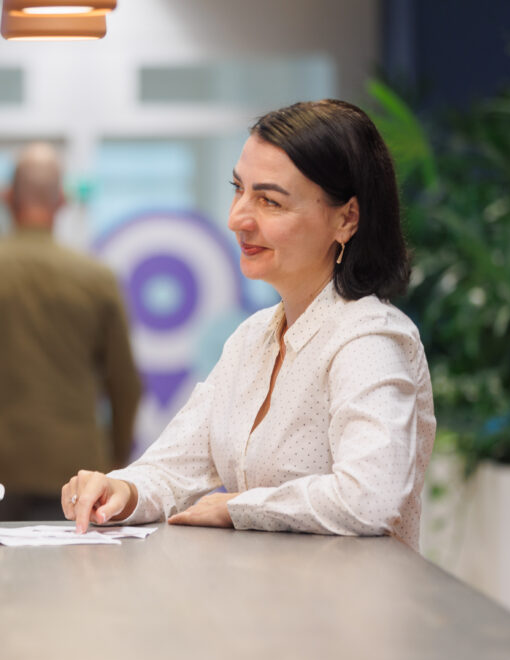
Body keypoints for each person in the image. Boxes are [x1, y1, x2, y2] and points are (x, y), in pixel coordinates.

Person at [62, 99, 436, 550]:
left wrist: (237, 506)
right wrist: (122, 491)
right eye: (238, 189)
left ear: (346, 217)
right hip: (266, 605)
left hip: (344, 614)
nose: (237, 218)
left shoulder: (367, 338)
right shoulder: (252, 338)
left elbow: (370, 497)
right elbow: (174, 467)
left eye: (269, 201)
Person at [0, 142, 141, 521]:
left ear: (7, 196)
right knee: (70, 578)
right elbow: (124, 383)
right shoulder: (95, 278)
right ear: (61, 200)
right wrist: (113, 465)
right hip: (75, 472)